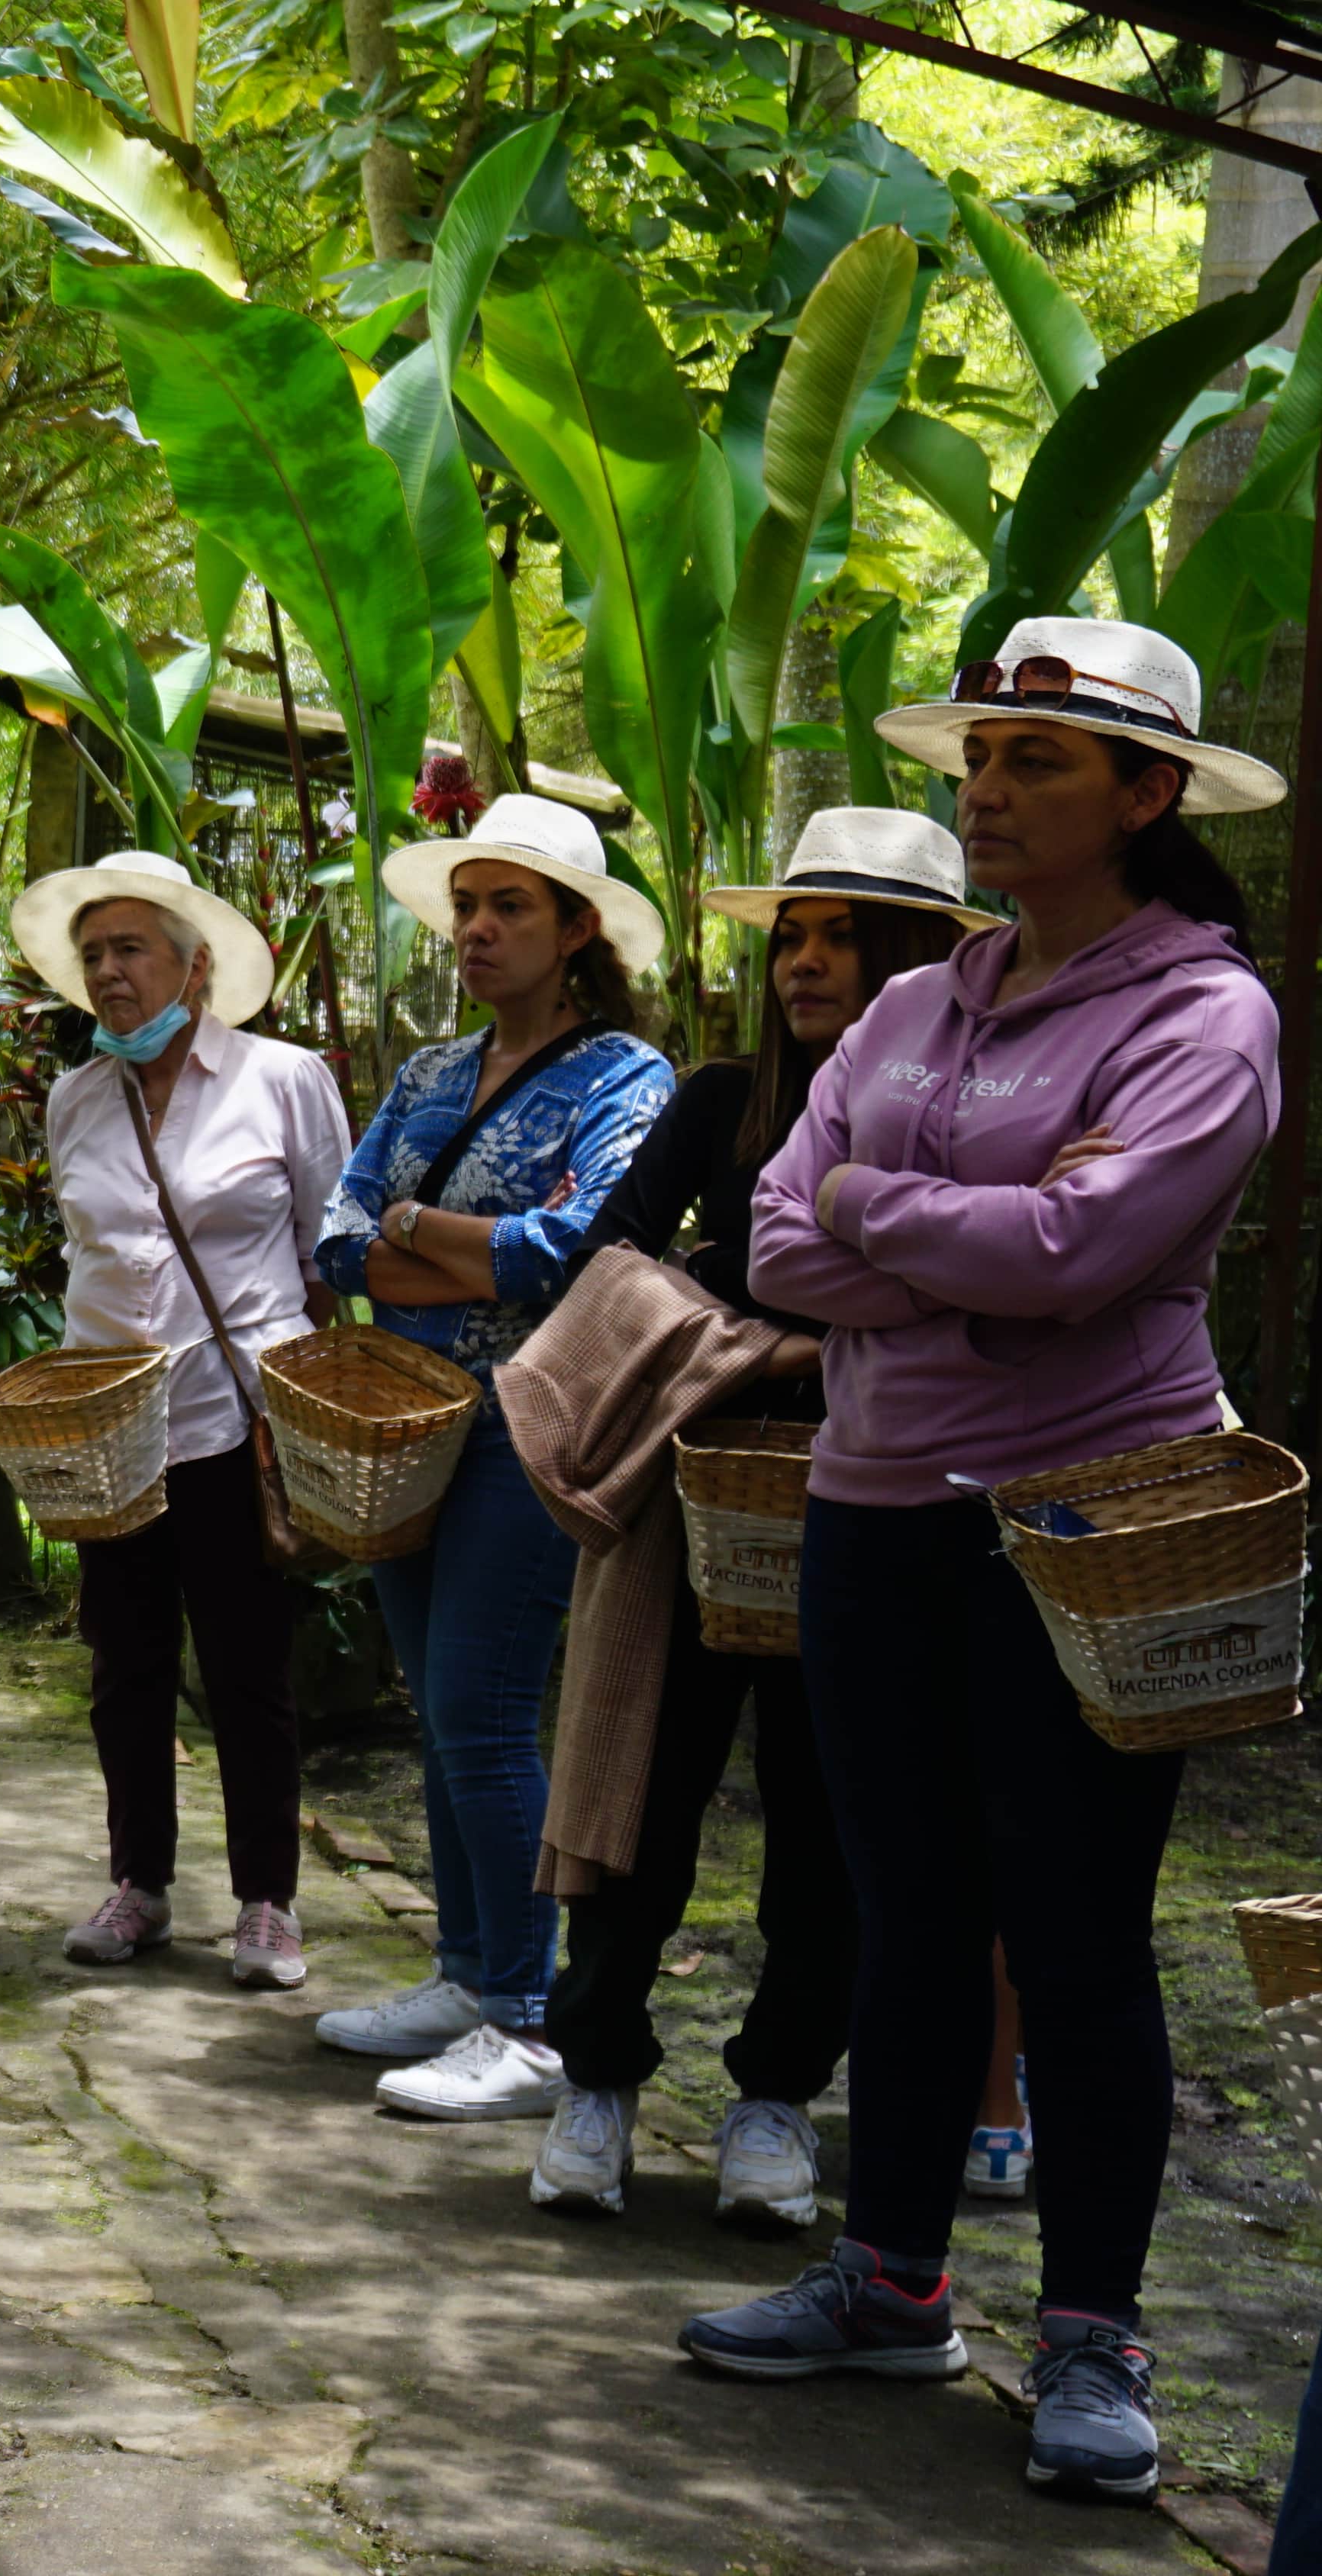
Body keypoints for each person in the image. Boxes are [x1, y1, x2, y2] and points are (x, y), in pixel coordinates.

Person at [688, 618, 1286, 2507]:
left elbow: (1082, 1254)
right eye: (984, 754)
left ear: (1148, 792)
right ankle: (893, 2276)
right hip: (872, 1506)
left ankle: (1095, 2335)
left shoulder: (1205, 1014)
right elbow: (775, 1240)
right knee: (910, 1909)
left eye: (1041, 759)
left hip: (1089, 1526)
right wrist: (969, 1221)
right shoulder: (912, 1006)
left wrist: (883, 1203)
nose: (992, 785)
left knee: (1080, 1932)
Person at [520, 810, 987, 2224]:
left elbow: (988, 1283)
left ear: (916, 960)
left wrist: (745, 1290)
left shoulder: (971, 1118)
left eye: (844, 937)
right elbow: (611, 1258)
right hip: (689, 1498)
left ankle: (777, 2098)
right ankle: (596, 2078)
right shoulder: (722, 1097)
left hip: (882, 1499)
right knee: (636, 1791)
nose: (805, 961)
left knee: (832, 1819)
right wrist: (782, 1331)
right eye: (793, 934)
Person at [309, 794, 674, 2112]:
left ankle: (527, 2019)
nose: (474, 929)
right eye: (465, 906)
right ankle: (468, 1974)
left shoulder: (626, 1078)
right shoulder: (425, 1075)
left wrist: (413, 1230)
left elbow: (573, 1254)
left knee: (482, 1711)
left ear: (576, 930)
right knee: (438, 1708)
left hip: (532, 1429)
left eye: (508, 907)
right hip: (404, 1426)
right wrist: (446, 1245)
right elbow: (337, 1241)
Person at [18, 851, 353, 1989]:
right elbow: (92, 1258)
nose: (109, 973)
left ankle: (268, 1902)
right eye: (94, 954)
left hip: (230, 1420)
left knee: (248, 1664)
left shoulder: (283, 1080)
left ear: (194, 966)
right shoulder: (76, 1098)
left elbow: (324, 1258)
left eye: (131, 949)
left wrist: (292, 1399)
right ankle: (140, 1886)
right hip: (108, 1429)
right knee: (125, 1664)